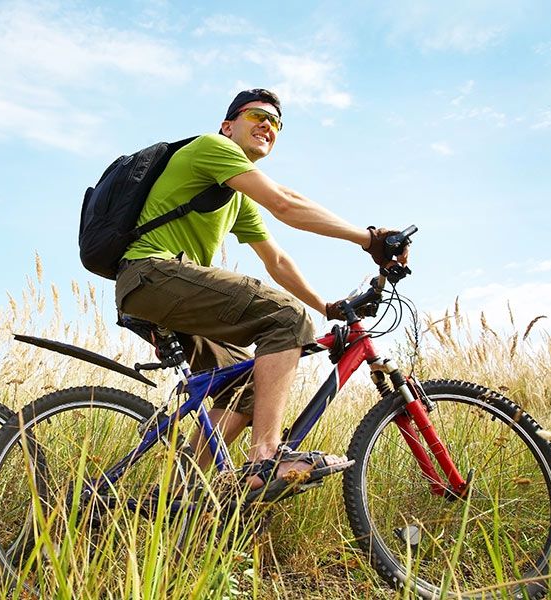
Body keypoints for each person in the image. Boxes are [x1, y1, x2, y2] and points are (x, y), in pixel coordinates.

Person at [115, 89, 409, 491]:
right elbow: (286, 203)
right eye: (257, 116)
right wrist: (369, 238)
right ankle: (267, 458)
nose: (267, 126)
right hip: (153, 273)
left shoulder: (234, 197)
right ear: (228, 125)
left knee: (250, 387)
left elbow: (277, 261)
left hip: (160, 289)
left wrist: (326, 306)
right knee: (286, 318)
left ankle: (177, 494)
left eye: (276, 123)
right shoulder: (211, 147)